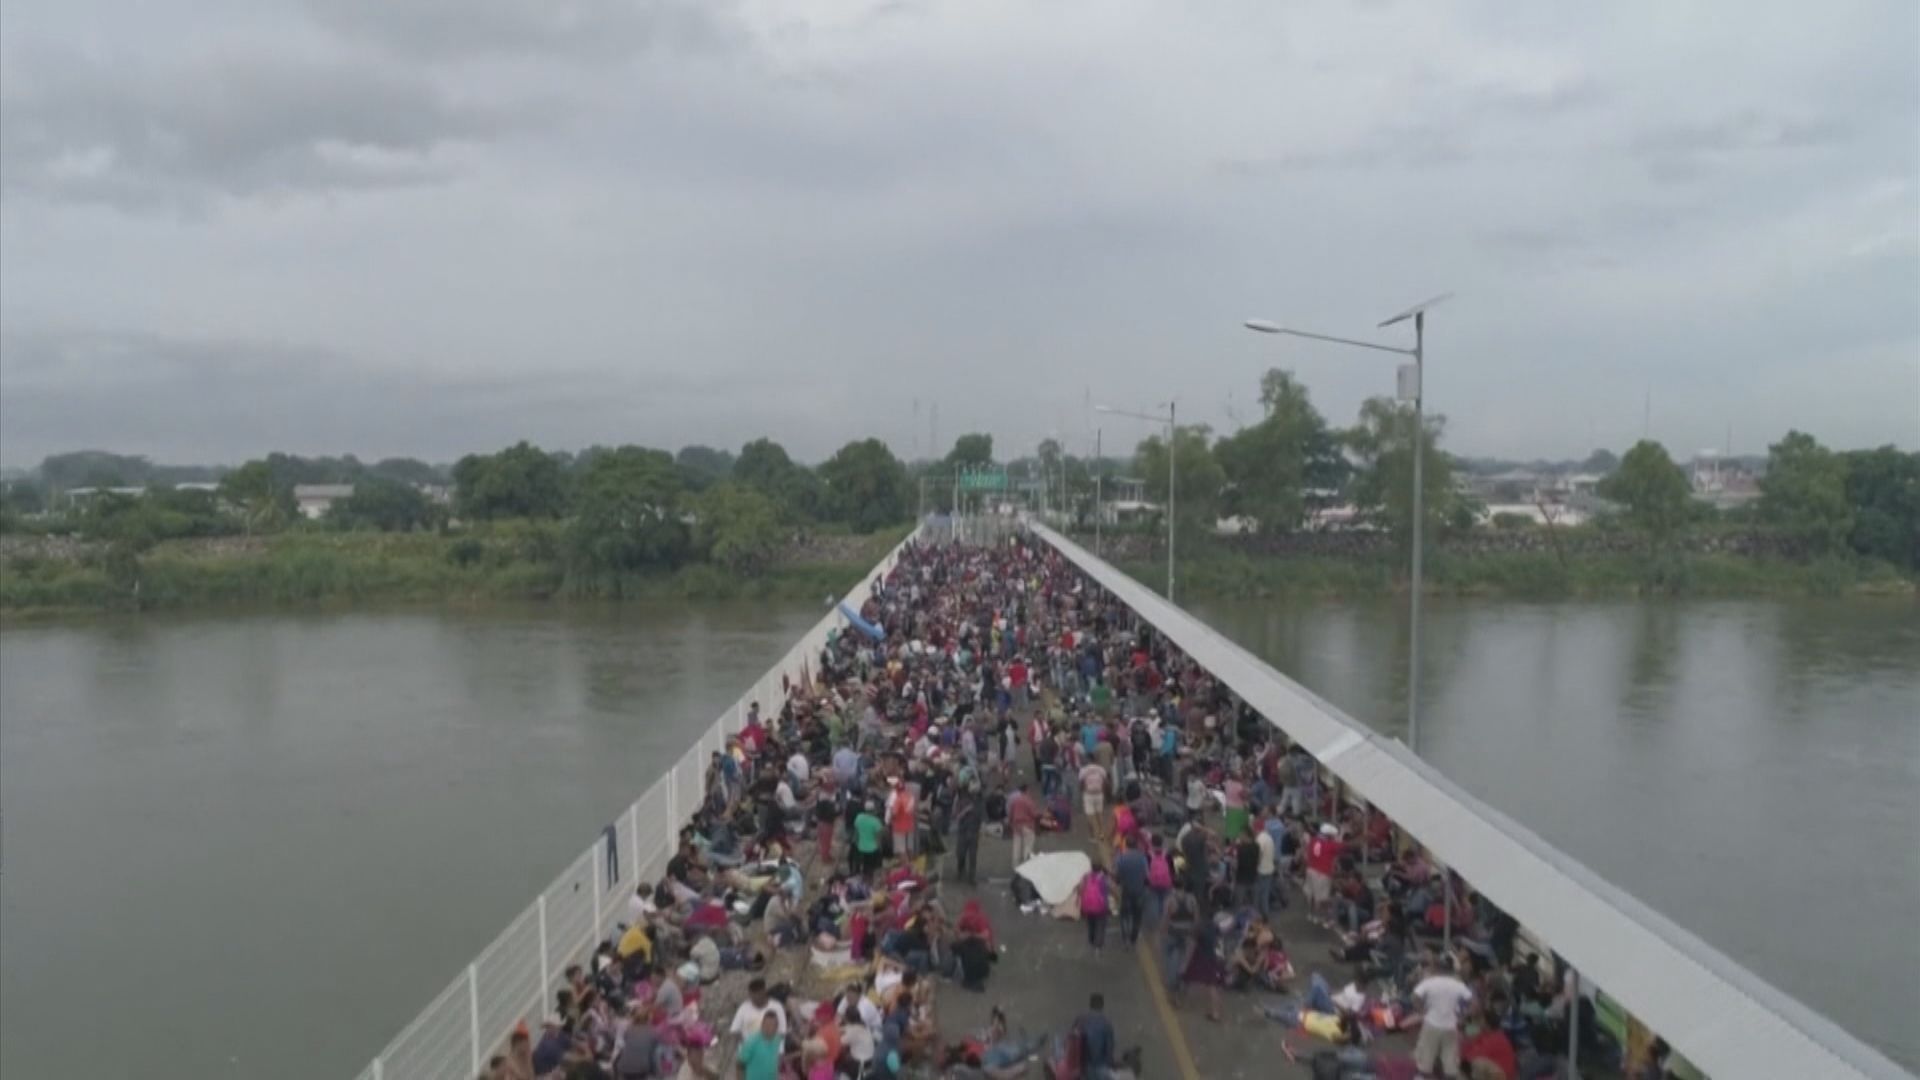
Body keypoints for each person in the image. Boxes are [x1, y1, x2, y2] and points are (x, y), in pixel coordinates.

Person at [1413, 958, 1474, 1079]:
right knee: (1450, 1062)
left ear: (1437, 968)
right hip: (1451, 1026)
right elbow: (1474, 1003)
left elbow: (1416, 996)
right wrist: (1463, 1016)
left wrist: (1421, 1011)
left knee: (1425, 1060)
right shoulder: (1458, 985)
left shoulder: (1429, 982)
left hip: (1432, 1023)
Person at [1112, 835, 1151, 946]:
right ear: (1136, 845)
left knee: (1124, 915)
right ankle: (1134, 937)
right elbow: (1147, 875)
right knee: (1137, 916)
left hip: (1127, 891)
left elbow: (1117, 876)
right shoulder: (1142, 857)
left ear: (1127, 845)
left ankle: (1125, 938)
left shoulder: (1121, 858)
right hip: (1139, 891)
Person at [1304, 823, 1345, 924]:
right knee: (1322, 897)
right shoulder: (1329, 844)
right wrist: (1341, 835)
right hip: (1322, 873)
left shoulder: (1313, 841)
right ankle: (1320, 917)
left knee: (1312, 894)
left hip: (1310, 869)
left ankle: (1311, 914)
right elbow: (1340, 847)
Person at [1075, 993, 1116, 1080]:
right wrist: (1111, 1065)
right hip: (1100, 1068)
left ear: (1090, 1005)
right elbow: (1109, 1050)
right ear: (1102, 1006)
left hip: (1083, 1067)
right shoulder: (1107, 1024)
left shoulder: (1080, 1020)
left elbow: (1072, 1039)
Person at [735, 1010, 782, 1080]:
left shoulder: (777, 1039)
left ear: (777, 1027)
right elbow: (739, 1064)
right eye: (767, 1025)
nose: (770, 1028)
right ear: (762, 1024)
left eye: (773, 1025)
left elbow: (775, 1059)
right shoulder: (752, 1042)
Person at [1079, 862, 1112, 952]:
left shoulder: (1086, 877)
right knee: (1100, 924)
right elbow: (1109, 889)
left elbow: (1081, 889)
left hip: (1088, 906)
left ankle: (1091, 940)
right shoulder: (1103, 879)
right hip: (1101, 907)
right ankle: (1099, 944)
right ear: (1100, 869)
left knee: (1090, 923)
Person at [1007, 782, 1039, 867]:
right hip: (1028, 826)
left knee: (1016, 847)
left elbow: (1011, 814)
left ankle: (1015, 865)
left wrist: (1011, 823)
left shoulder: (1015, 801)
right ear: (1027, 790)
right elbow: (1034, 814)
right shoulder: (1029, 801)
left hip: (1016, 826)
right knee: (1027, 847)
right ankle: (1026, 865)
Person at [853, 801, 885, 876]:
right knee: (871, 868)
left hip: (861, 847)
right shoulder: (876, 822)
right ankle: (869, 880)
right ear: (873, 810)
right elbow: (878, 838)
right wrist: (880, 848)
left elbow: (856, 833)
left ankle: (863, 876)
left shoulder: (859, 818)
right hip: (872, 849)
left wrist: (856, 844)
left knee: (864, 866)